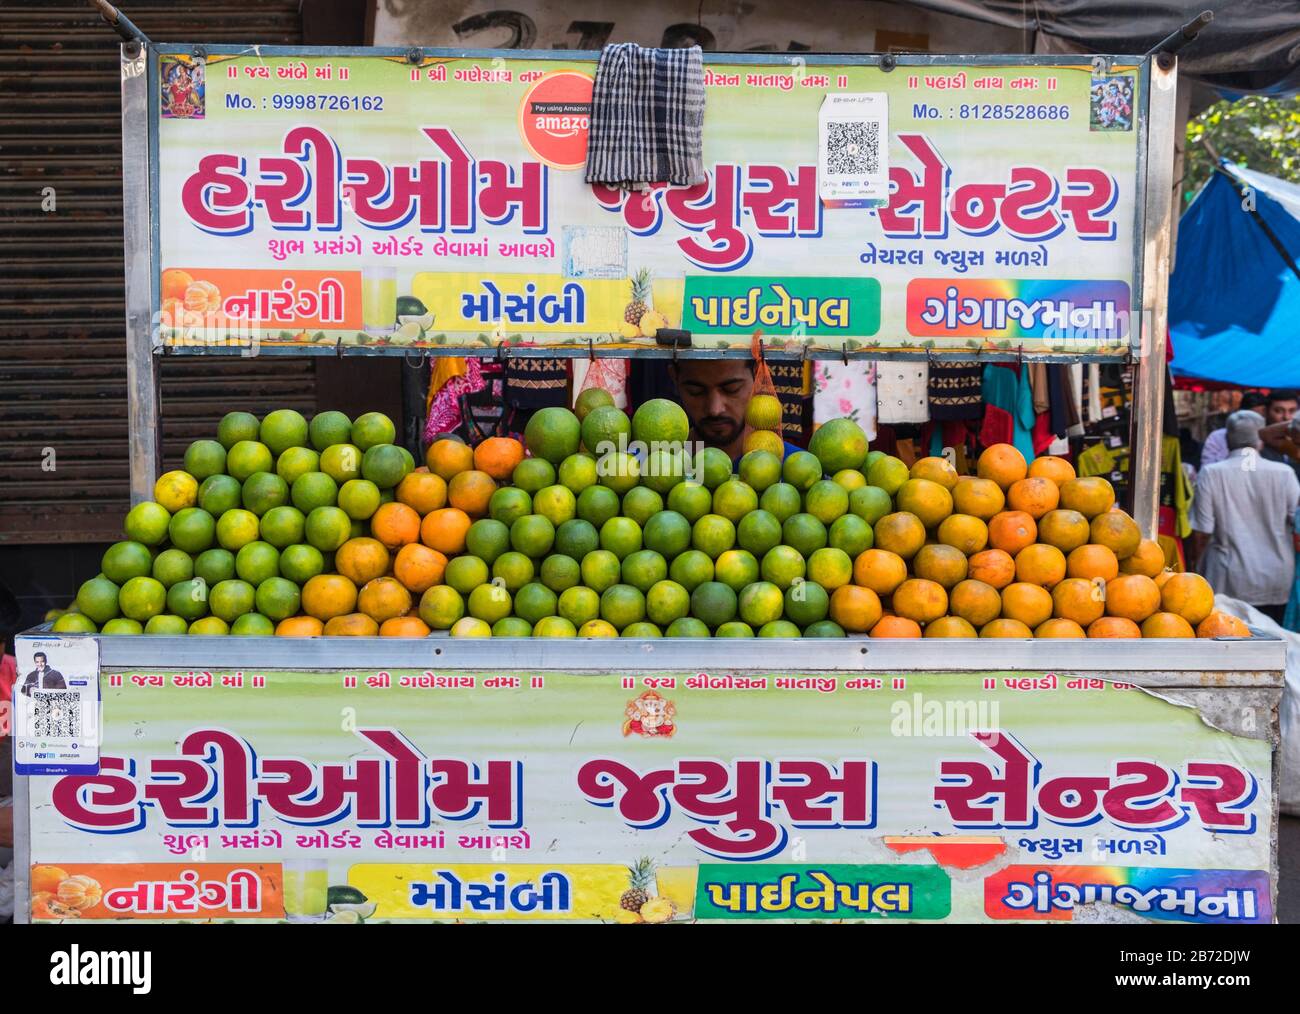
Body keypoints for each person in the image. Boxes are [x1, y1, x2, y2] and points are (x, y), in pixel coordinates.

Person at [1189, 410, 1300, 623]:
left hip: (1228, 578)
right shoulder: (1284, 473)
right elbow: (1295, 520)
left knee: (1232, 644)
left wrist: (1195, 568)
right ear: (1259, 440)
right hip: (1277, 579)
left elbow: (1202, 532)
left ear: (1228, 438)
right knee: (1277, 648)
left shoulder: (1211, 473)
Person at [670, 358, 801, 463]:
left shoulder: (796, 466)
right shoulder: (658, 467)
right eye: (696, 392)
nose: (715, 409)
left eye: (732, 389)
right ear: (674, 378)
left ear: (757, 375)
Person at [1201, 392, 1267, 467]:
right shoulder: (1217, 437)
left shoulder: (1268, 438)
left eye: (1261, 416)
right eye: (1252, 416)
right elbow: (1207, 467)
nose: (1257, 421)